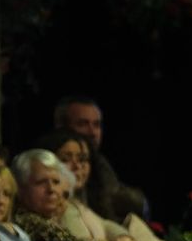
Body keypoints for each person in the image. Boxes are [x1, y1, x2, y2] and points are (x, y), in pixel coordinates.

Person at [52, 95, 149, 224]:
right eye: (82, 124)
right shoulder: (49, 161)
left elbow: (114, 195)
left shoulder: (99, 162)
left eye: (96, 125)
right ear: (61, 126)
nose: (92, 132)